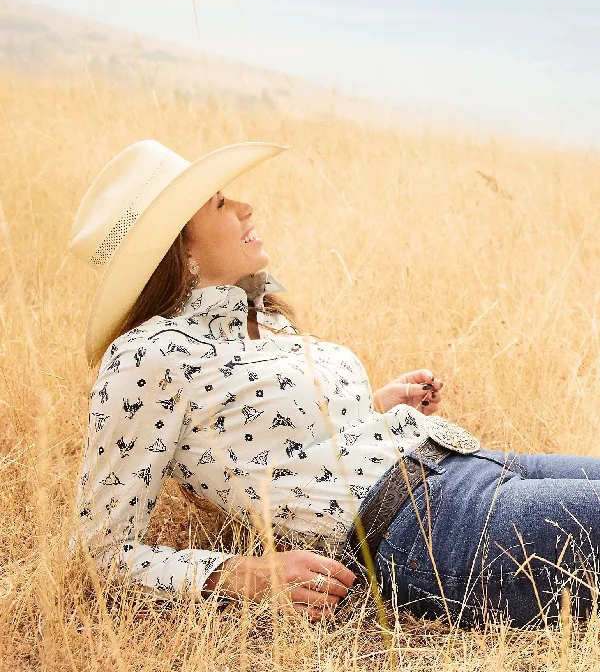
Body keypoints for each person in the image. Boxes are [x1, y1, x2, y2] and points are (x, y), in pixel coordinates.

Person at [70, 139, 600, 629]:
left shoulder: (263, 319)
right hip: (431, 529)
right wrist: (242, 573)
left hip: (473, 465)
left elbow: (283, 447)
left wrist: (377, 408)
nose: (245, 207)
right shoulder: (148, 354)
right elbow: (100, 549)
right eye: (219, 204)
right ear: (179, 248)